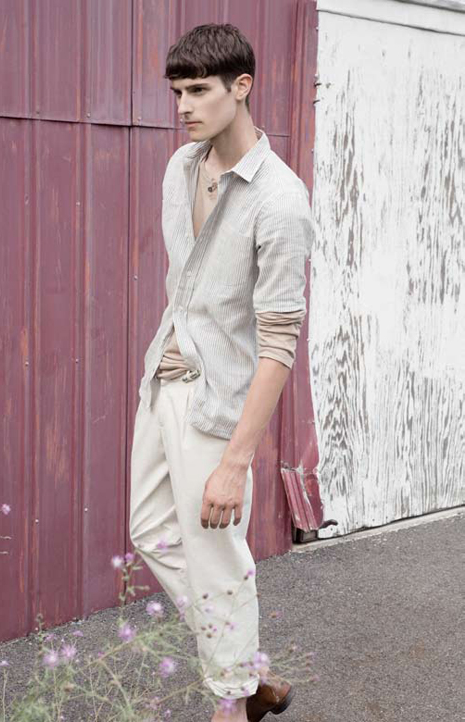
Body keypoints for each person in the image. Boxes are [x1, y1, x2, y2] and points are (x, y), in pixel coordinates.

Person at [129, 22, 315, 722]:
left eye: (199, 91)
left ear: (242, 87)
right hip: (164, 379)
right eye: (178, 92)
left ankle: (231, 703)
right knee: (151, 530)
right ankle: (248, 669)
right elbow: (187, 289)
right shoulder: (181, 168)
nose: (184, 106)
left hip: (218, 402)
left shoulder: (280, 200)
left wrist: (236, 462)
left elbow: (278, 343)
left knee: (216, 557)